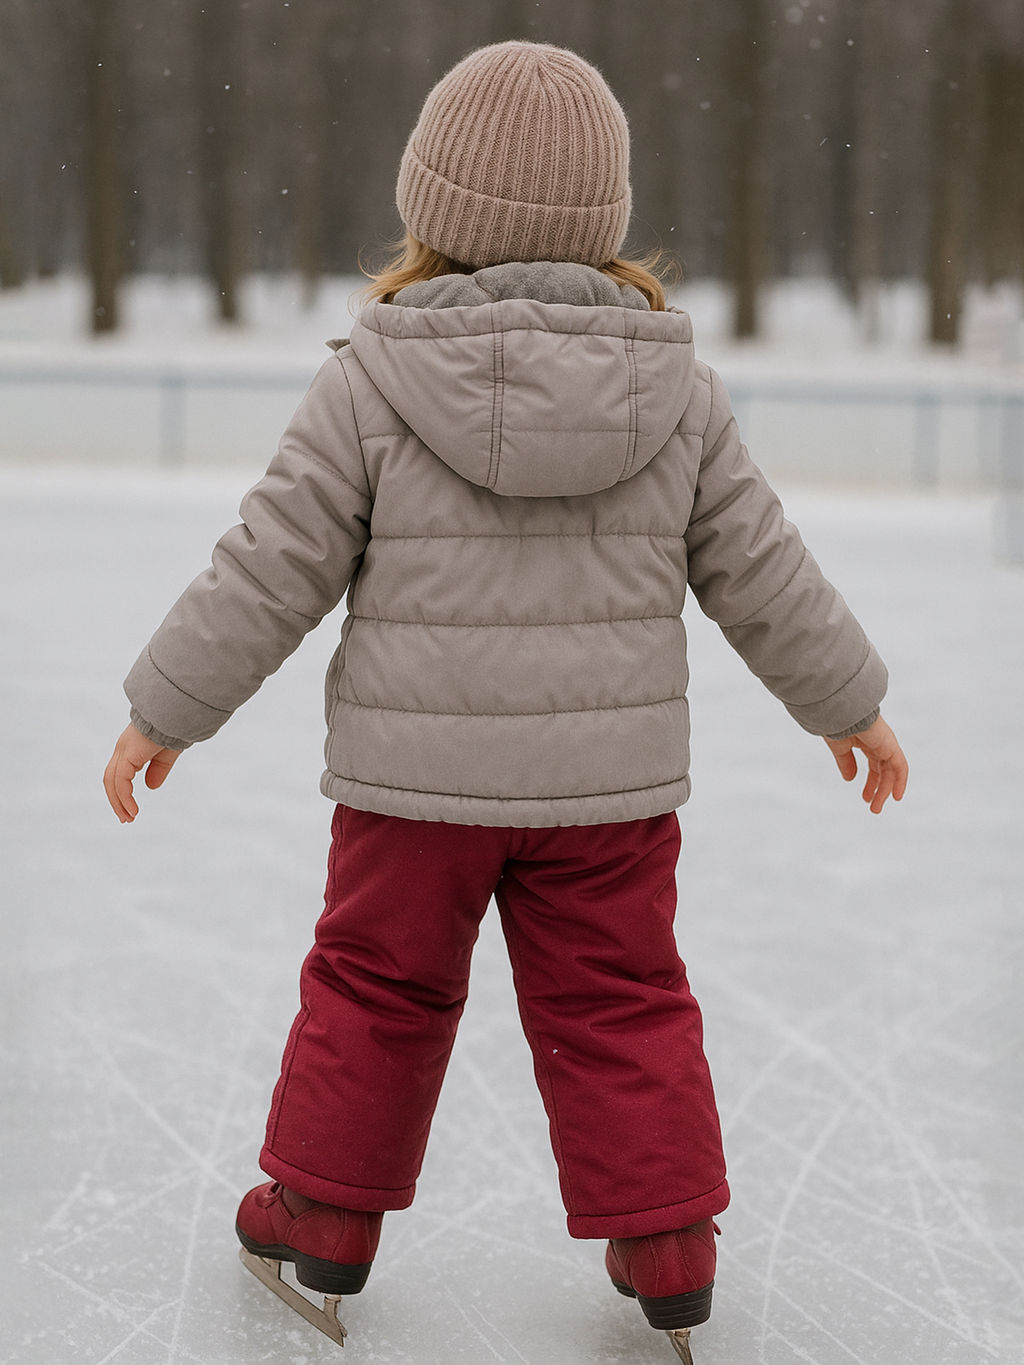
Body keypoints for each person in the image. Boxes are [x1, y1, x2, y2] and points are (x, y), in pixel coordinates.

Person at [102, 40, 908, 1360]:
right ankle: (667, 1240)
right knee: (624, 999)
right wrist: (848, 700)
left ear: (434, 207)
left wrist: (166, 706)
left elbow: (274, 559)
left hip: (411, 795)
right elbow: (764, 567)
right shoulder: (675, 388)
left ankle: (321, 1215)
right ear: (606, 215)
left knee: (375, 987)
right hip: (609, 797)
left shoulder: (370, 377)